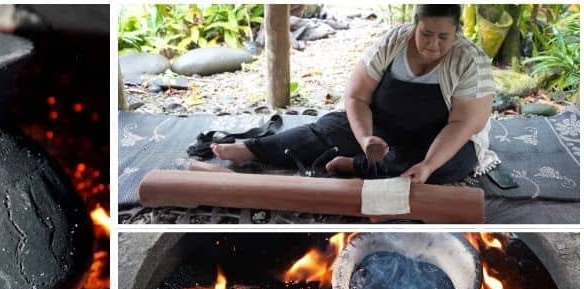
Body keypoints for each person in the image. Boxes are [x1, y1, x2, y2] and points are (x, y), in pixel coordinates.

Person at [213, 5, 496, 185]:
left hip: (439, 137)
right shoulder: (393, 42)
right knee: (325, 130)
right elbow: (356, 97)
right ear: (415, 25)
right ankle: (253, 149)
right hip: (382, 125)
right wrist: (365, 139)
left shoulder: (470, 61)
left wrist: (429, 165)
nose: (433, 44)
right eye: (426, 34)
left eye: (443, 37)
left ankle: (356, 166)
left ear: (456, 32)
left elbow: (462, 124)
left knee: (447, 166)